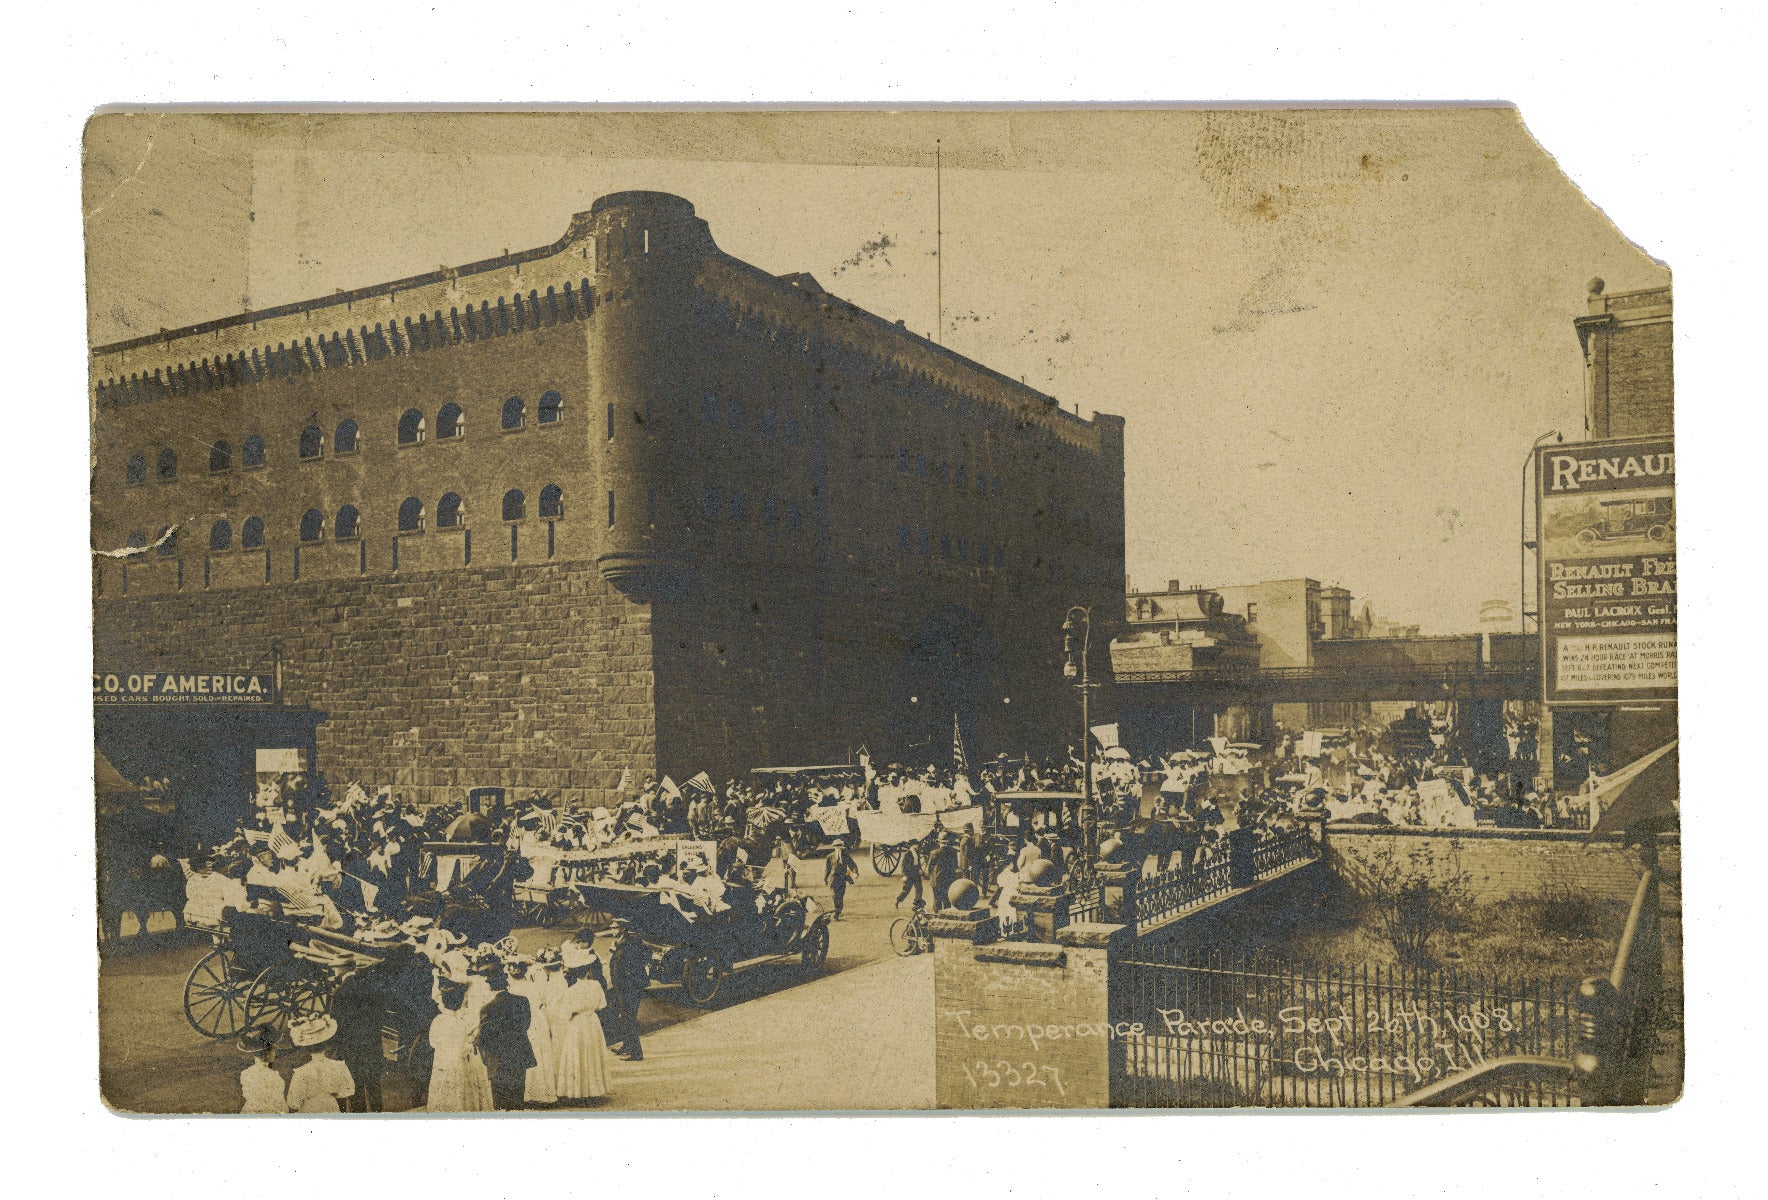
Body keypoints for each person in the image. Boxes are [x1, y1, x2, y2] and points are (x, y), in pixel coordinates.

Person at [554, 939, 613, 1104]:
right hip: (592, 1022)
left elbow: (564, 1014)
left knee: (577, 1054)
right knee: (593, 1054)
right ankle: (595, 1090)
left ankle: (579, 1090)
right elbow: (602, 1005)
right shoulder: (595, 986)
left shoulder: (571, 991)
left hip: (578, 1024)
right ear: (588, 970)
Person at [426, 976, 493, 1112]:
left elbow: (433, 1042)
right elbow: (463, 1049)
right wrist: (470, 1042)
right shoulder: (459, 1024)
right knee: (459, 1093)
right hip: (457, 1063)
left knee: (441, 1090)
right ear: (460, 1002)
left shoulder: (438, 1020)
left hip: (441, 1061)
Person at [477, 959, 537, 1111]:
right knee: (518, 1096)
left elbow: (483, 1039)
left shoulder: (487, 1008)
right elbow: (525, 1025)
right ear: (506, 983)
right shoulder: (522, 1001)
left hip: (497, 1058)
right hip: (519, 1053)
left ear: (490, 986)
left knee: (500, 1099)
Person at [506, 956, 560, 1106]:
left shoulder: (512, 989)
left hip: (527, 1021)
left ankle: (530, 1093)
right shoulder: (532, 986)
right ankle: (540, 1092)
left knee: (532, 1052)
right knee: (538, 1053)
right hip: (536, 1020)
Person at [285, 1015, 355, 1113]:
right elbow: (350, 1089)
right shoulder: (339, 1066)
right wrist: (333, 1093)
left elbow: (293, 1103)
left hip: (309, 1110)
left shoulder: (301, 1072)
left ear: (307, 1048)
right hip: (331, 1108)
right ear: (326, 1045)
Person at [605, 921, 649, 1061]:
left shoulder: (630, 942)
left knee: (628, 1018)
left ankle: (636, 1053)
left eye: (614, 928)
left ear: (622, 928)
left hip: (629, 987)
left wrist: (632, 974)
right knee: (624, 1017)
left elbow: (643, 956)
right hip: (622, 986)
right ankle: (627, 1045)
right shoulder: (621, 941)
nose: (612, 930)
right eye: (611, 928)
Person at [237, 1029, 287, 1114]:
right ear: (267, 1054)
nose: (275, 1054)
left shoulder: (245, 1073)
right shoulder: (274, 1076)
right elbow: (280, 1104)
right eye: (273, 1051)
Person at [823, 844, 858, 920]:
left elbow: (852, 865)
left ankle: (838, 911)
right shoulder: (830, 856)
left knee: (840, 895)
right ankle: (836, 911)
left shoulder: (846, 856)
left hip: (842, 878)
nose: (839, 848)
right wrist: (825, 878)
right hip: (833, 878)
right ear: (834, 847)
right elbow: (827, 869)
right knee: (834, 895)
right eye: (837, 846)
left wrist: (855, 873)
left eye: (840, 846)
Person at [893, 844, 923, 910]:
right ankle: (898, 900)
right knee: (906, 890)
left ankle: (917, 904)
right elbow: (903, 866)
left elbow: (918, 862)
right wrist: (905, 875)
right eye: (916, 845)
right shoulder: (907, 854)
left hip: (916, 873)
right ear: (912, 845)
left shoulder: (917, 852)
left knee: (919, 888)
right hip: (909, 874)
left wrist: (920, 869)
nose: (917, 846)